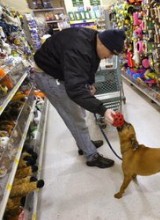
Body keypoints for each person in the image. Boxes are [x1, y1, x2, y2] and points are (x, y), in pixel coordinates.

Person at [31, 27, 126, 168]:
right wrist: (103, 110)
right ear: (103, 43)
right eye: (111, 52)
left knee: (79, 112)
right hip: (48, 76)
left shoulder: (94, 40)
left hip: (60, 71)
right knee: (74, 117)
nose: (111, 57)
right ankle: (91, 156)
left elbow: (91, 63)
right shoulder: (79, 50)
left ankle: (85, 143)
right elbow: (74, 90)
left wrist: (90, 82)